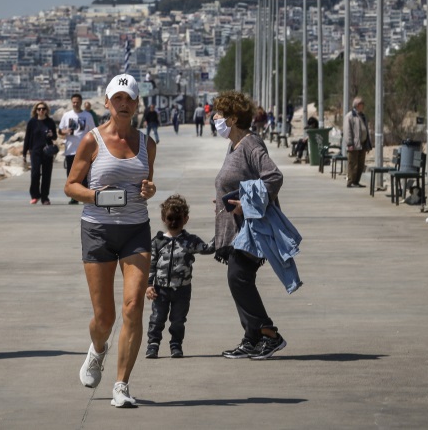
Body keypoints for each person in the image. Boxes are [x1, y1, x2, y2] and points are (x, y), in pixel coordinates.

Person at [64, 73, 158, 408]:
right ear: (106, 102)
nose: (123, 103)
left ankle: (121, 385)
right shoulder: (92, 140)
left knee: (134, 306)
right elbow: (70, 185)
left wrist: (149, 189)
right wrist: (95, 197)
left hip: (135, 229)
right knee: (104, 318)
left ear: (136, 104)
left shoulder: (148, 143)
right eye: (117, 98)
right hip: (98, 230)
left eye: (129, 98)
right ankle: (97, 350)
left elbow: (147, 184)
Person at [211, 91, 288, 360]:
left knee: (239, 279)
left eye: (219, 114)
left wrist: (246, 203)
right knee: (239, 280)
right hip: (234, 229)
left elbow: (273, 178)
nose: (215, 118)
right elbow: (239, 180)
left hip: (250, 230)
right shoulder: (234, 145)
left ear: (233, 118)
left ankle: (269, 334)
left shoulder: (251, 144)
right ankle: (251, 338)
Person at [145, 195, 211, 359]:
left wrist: (223, 233)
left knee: (178, 320)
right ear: (163, 218)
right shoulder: (157, 242)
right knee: (157, 319)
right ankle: (153, 345)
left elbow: (207, 248)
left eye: (178, 219)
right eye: (170, 218)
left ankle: (176, 345)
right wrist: (148, 285)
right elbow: (151, 265)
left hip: (182, 289)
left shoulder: (190, 241)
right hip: (160, 290)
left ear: (186, 219)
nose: (174, 222)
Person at [59, 94, 96, 204]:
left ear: (81, 102)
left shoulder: (87, 115)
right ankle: (74, 197)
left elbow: (93, 131)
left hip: (84, 151)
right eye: (73, 102)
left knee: (85, 174)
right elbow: (60, 131)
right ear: (71, 102)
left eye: (77, 102)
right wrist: (65, 132)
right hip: (70, 150)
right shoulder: (66, 115)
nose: (75, 104)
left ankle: (84, 197)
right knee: (71, 175)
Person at [22, 101, 58, 205]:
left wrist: (51, 135)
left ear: (46, 110)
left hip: (47, 152)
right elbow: (27, 138)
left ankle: (44, 197)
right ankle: (35, 195)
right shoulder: (32, 122)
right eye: (39, 109)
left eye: (43, 109)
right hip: (35, 151)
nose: (41, 111)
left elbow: (55, 137)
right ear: (36, 111)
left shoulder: (50, 122)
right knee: (35, 174)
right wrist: (24, 153)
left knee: (47, 175)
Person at [343, 97, 372, 188]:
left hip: (362, 144)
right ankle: (351, 181)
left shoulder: (363, 116)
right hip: (354, 145)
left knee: (360, 164)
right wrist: (350, 144)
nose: (363, 106)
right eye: (362, 104)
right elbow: (348, 131)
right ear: (358, 105)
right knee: (353, 164)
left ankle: (356, 182)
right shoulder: (350, 116)